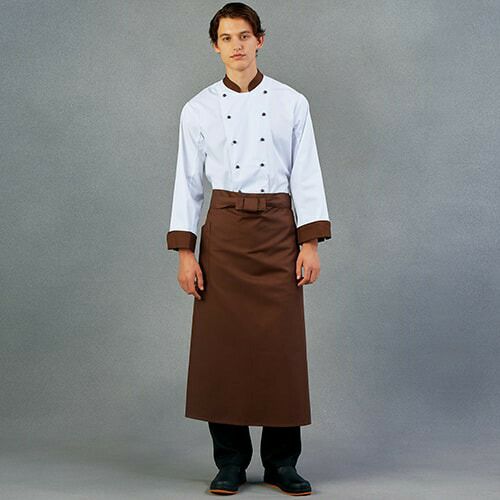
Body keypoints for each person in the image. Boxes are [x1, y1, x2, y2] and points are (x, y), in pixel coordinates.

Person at [165, 2, 332, 495]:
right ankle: (231, 462)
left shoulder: (292, 102)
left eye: (244, 35)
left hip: (278, 231)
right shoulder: (197, 109)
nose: (236, 45)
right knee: (223, 352)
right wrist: (186, 254)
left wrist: (309, 244)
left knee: (281, 351)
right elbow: (187, 183)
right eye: (226, 38)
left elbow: (306, 174)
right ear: (215, 47)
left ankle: (282, 463)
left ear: (261, 39)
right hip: (225, 236)